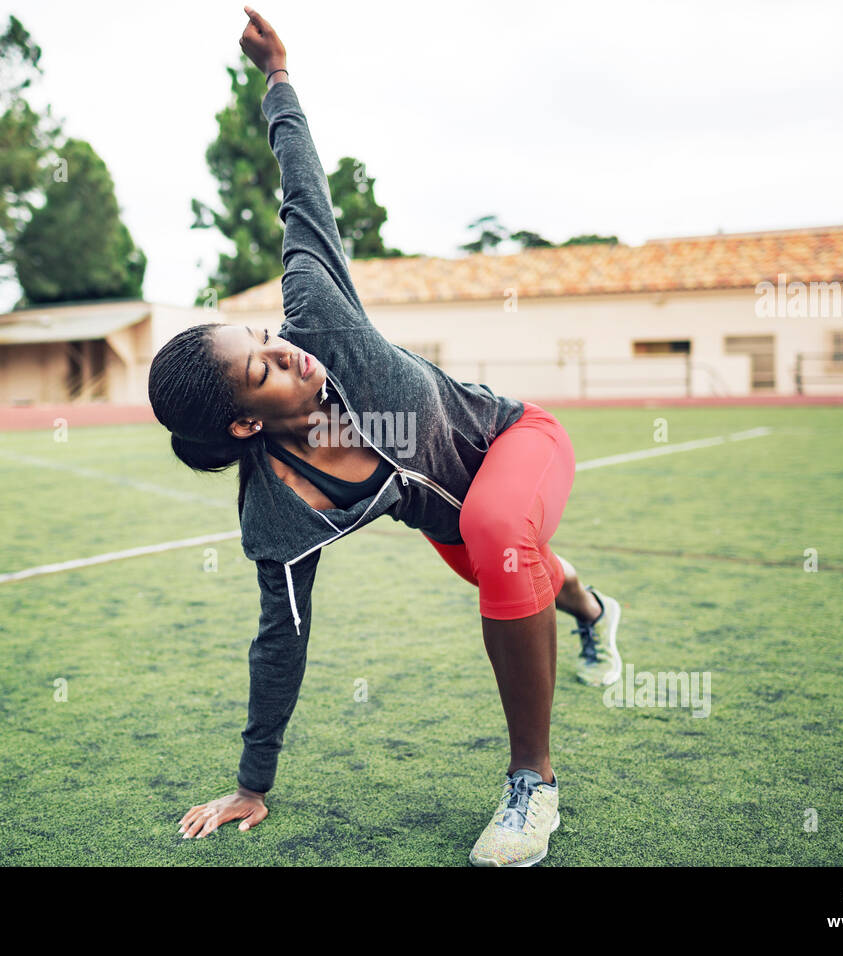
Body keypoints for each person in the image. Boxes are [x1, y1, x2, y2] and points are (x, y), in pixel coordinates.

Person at [150, 5, 622, 867]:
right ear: (247, 423)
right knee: (508, 554)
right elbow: (279, 642)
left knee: (499, 532)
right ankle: (595, 610)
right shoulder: (280, 513)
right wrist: (254, 783)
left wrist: (278, 77)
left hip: (518, 438)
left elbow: (302, 194)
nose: (282, 350)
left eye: (261, 335)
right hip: (458, 525)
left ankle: (532, 786)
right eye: (262, 369)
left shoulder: (321, 318)